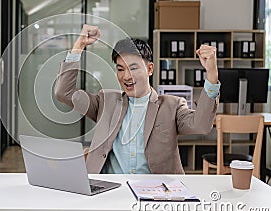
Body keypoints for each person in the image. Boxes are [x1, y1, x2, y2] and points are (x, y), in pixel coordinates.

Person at [55, 24, 220, 174]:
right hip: (110, 189)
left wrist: (212, 75)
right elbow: (64, 92)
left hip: (155, 192)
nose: (126, 76)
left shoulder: (172, 106)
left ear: (150, 69)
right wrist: (79, 46)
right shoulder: (106, 101)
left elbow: (201, 125)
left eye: (133, 68)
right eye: (120, 69)